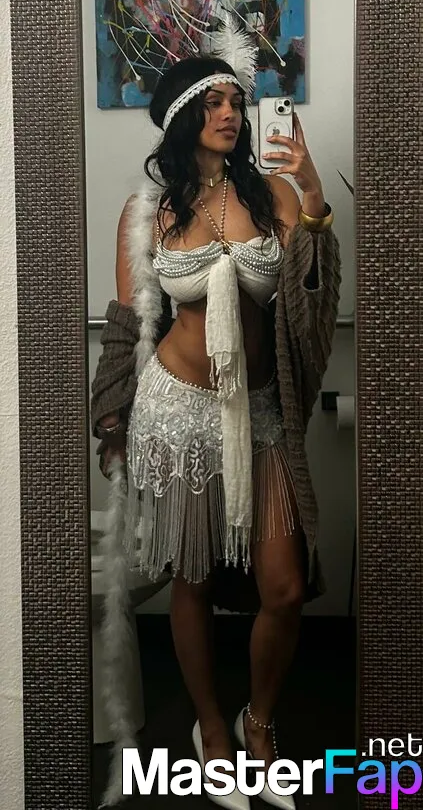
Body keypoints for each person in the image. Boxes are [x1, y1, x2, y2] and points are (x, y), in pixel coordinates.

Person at [91, 42, 341, 810]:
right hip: (174, 413)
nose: (230, 113)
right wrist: (113, 420)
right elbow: (130, 322)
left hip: (258, 413)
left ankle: (257, 723)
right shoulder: (150, 211)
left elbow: (311, 289)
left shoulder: (272, 195)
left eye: (236, 101)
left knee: (283, 587)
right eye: (213, 103)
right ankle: (211, 730)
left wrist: (312, 194)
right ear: (181, 118)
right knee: (191, 580)